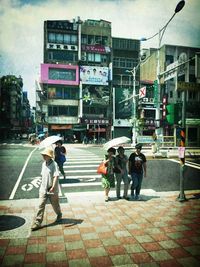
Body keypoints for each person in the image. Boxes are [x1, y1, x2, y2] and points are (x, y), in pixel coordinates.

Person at [31, 148, 62, 231]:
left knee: (55, 205)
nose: (43, 156)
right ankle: (37, 222)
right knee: (40, 205)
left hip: (52, 189)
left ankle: (59, 214)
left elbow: (56, 176)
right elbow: (43, 175)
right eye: (43, 155)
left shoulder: (54, 164)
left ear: (49, 156)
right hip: (43, 189)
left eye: (45, 155)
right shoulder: (43, 164)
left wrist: (53, 186)